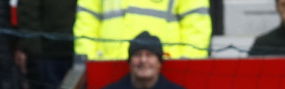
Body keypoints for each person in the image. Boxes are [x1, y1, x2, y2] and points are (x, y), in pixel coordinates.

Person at [74, 0, 211, 60]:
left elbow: (196, 25)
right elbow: (87, 20)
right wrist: (89, 60)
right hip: (107, 66)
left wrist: (186, 65)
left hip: (165, 69)